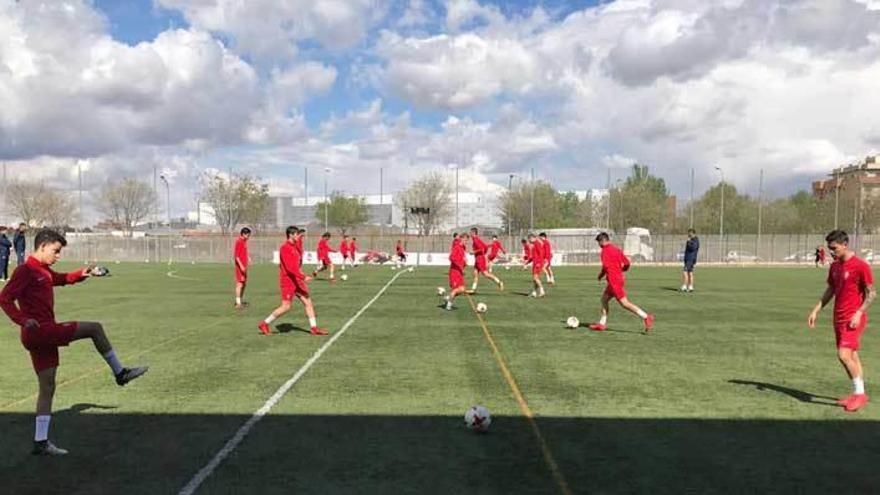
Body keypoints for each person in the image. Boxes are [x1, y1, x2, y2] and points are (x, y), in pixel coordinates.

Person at [0, 229, 148, 456]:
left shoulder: (43, 271)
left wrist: (83, 273)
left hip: (40, 336)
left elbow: (59, 279)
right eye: (56, 251)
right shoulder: (25, 270)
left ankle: (41, 442)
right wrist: (23, 319)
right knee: (95, 328)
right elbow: (4, 298)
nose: (58, 256)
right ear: (42, 246)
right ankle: (120, 373)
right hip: (41, 332)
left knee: (47, 387)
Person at [807, 230, 876, 412]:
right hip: (838, 318)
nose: (831, 252)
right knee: (852, 356)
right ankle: (857, 393)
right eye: (829, 248)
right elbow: (831, 290)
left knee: (843, 355)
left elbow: (872, 293)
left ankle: (860, 395)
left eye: (834, 248)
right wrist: (816, 310)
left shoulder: (860, 266)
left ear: (845, 244)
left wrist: (859, 313)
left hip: (853, 319)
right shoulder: (835, 266)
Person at [259, 226, 327, 336]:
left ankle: (314, 328)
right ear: (290, 235)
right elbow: (290, 268)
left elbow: (298, 262)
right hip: (288, 281)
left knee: (308, 302)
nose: (298, 236)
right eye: (296, 234)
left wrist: (300, 277)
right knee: (286, 306)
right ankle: (264, 323)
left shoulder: (294, 246)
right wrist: (303, 277)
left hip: (296, 280)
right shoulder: (285, 248)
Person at [589, 232, 654, 332]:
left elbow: (606, 266)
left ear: (603, 241)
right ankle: (602, 324)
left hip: (614, 281)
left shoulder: (604, 251)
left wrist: (601, 275)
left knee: (625, 303)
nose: (599, 245)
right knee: (604, 300)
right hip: (618, 279)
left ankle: (646, 317)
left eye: (599, 242)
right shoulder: (617, 250)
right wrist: (621, 270)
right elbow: (627, 263)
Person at [468, 228, 503, 293]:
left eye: (470, 232)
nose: (469, 233)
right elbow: (485, 247)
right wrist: (481, 253)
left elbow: (481, 249)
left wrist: (474, 252)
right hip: (478, 258)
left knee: (486, 274)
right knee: (475, 274)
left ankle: (499, 282)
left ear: (473, 233)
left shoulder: (476, 240)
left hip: (480, 259)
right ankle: (473, 289)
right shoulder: (476, 239)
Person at [445, 233, 468, 310]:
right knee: (456, 289)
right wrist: (459, 264)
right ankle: (448, 305)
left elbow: (462, 258)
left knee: (462, 289)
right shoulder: (456, 247)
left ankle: (448, 298)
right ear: (461, 239)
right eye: (465, 240)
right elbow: (451, 257)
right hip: (454, 272)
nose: (466, 242)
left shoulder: (462, 248)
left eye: (467, 240)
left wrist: (464, 263)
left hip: (459, 272)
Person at [234, 227, 251, 309]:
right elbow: (236, 256)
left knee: (244, 284)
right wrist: (241, 266)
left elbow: (244, 252)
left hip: (244, 267)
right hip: (240, 268)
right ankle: (237, 304)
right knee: (239, 284)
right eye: (248, 235)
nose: (248, 237)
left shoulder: (244, 242)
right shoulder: (239, 242)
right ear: (243, 234)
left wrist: (248, 258)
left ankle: (240, 301)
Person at [527, 233, 546, 298]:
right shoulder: (534, 244)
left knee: (535, 278)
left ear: (532, 238)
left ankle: (542, 291)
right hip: (536, 263)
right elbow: (534, 256)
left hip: (538, 264)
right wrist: (527, 262)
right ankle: (534, 293)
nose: (529, 241)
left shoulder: (537, 244)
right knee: (535, 279)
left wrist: (538, 263)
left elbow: (541, 254)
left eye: (529, 239)